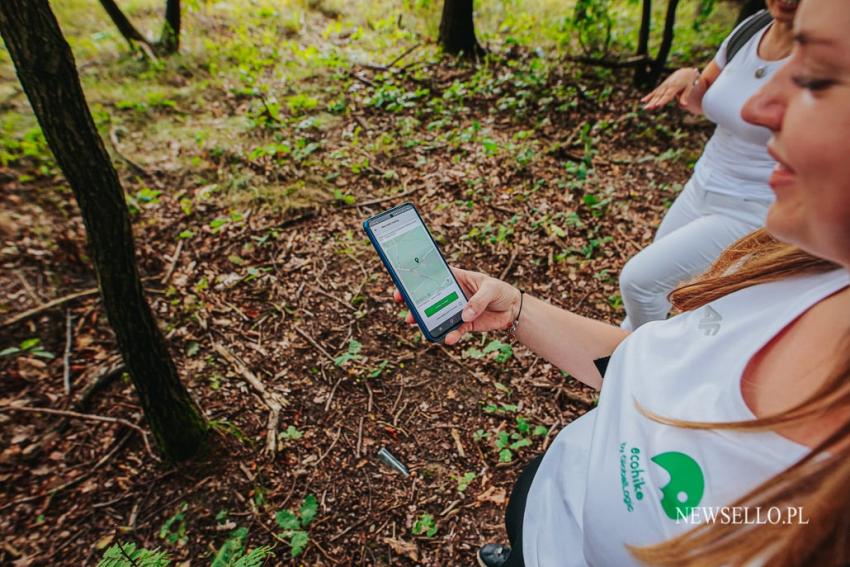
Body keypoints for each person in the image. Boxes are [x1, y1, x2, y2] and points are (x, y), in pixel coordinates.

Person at [391, 0, 850, 564]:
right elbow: (653, 363)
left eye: (819, 79)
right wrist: (515, 309)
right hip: (552, 509)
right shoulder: (786, 264)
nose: (758, 107)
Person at [619, 0, 799, 330]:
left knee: (640, 282)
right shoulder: (752, 29)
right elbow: (702, 102)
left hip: (755, 209)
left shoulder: (828, 60)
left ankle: (639, 362)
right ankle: (624, 364)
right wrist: (690, 77)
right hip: (701, 186)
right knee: (667, 296)